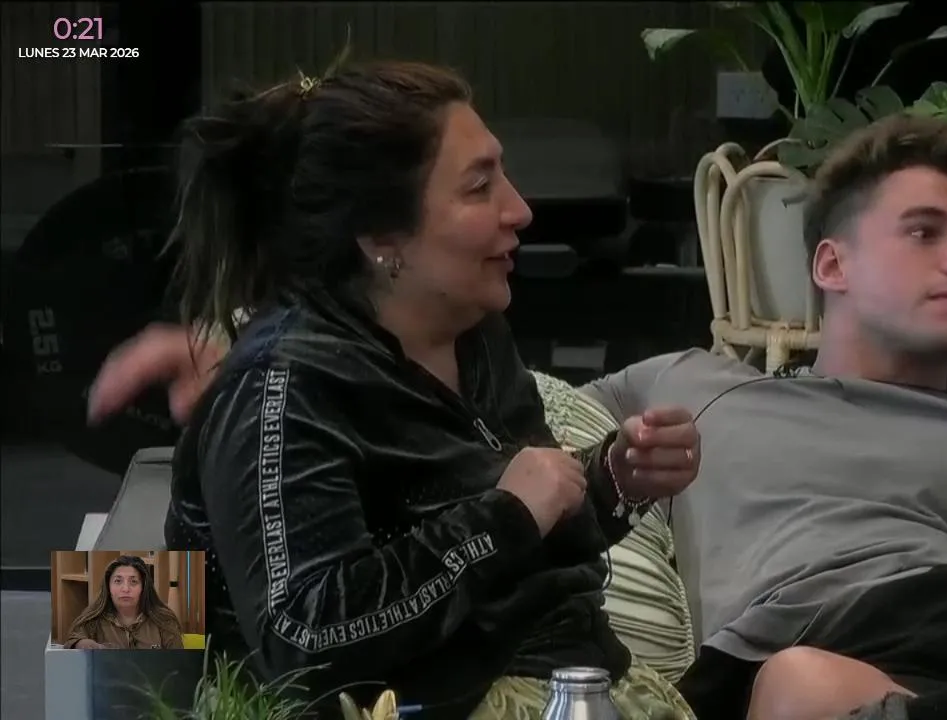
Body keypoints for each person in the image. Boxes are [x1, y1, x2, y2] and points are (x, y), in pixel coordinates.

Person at [89, 113, 947, 720]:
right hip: (821, 654)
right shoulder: (693, 382)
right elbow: (427, 411)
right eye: (924, 232)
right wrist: (247, 349)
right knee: (801, 687)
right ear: (825, 263)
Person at [122, 61, 701, 719]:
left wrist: (614, 479)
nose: (520, 209)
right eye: (480, 187)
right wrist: (504, 517)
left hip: (578, 679)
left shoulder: (473, 332)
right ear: (381, 237)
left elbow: (532, 530)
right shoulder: (281, 392)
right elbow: (305, 638)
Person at [65, 554, 185, 650]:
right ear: (108, 587)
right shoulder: (92, 620)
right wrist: (80, 644)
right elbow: (71, 643)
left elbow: (179, 664)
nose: (126, 589)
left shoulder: (164, 620)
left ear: (144, 587)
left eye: (133, 582)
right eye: (118, 581)